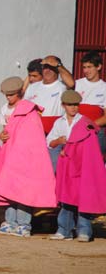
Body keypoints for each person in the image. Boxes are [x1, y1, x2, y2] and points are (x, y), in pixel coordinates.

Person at [0, 77, 57, 238]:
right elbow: (5, 130)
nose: (8, 98)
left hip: (26, 156)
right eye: (6, 95)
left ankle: (24, 225)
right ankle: (11, 222)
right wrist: (3, 135)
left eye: (11, 94)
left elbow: (33, 137)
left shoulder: (29, 110)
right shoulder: (5, 108)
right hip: (10, 152)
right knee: (9, 188)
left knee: (23, 189)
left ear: (20, 92)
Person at [48, 90, 106, 242]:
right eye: (70, 105)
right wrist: (59, 142)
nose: (73, 108)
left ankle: (84, 230)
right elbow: (49, 143)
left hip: (82, 165)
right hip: (66, 164)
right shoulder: (58, 122)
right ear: (63, 105)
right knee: (66, 196)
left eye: (76, 105)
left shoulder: (86, 123)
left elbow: (91, 148)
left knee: (83, 196)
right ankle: (64, 230)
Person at [74, 50, 106, 158]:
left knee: (95, 164)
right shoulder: (77, 84)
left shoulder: (104, 87)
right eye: (84, 67)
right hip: (76, 130)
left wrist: (89, 125)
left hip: (96, 132)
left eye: (89, 67)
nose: (86, 70)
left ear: (99, 67)